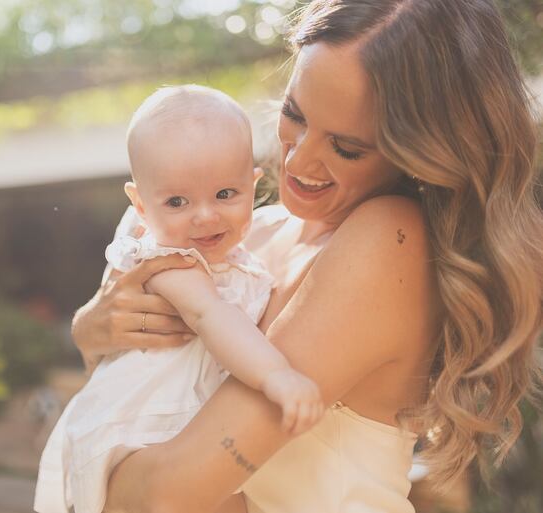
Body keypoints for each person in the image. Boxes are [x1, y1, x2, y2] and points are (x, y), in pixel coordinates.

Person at [69, 1, 543, 512]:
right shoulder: (254, 234)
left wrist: (80, 471)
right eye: (295, 114)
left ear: (424, 150)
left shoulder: (391, 239)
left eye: (347, 147)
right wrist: (91, 328)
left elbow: (162, 497)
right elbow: (127, 386)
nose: (298, 159)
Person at [34, 85, 323, 513]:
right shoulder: (170, 263)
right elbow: (211, 315)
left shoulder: (234, 258)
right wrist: (276, 376)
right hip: (147, 423)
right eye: (176, 201)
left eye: (226, 194)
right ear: (141, 206)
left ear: (254, 184)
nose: (205, 216)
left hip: (187, 420)